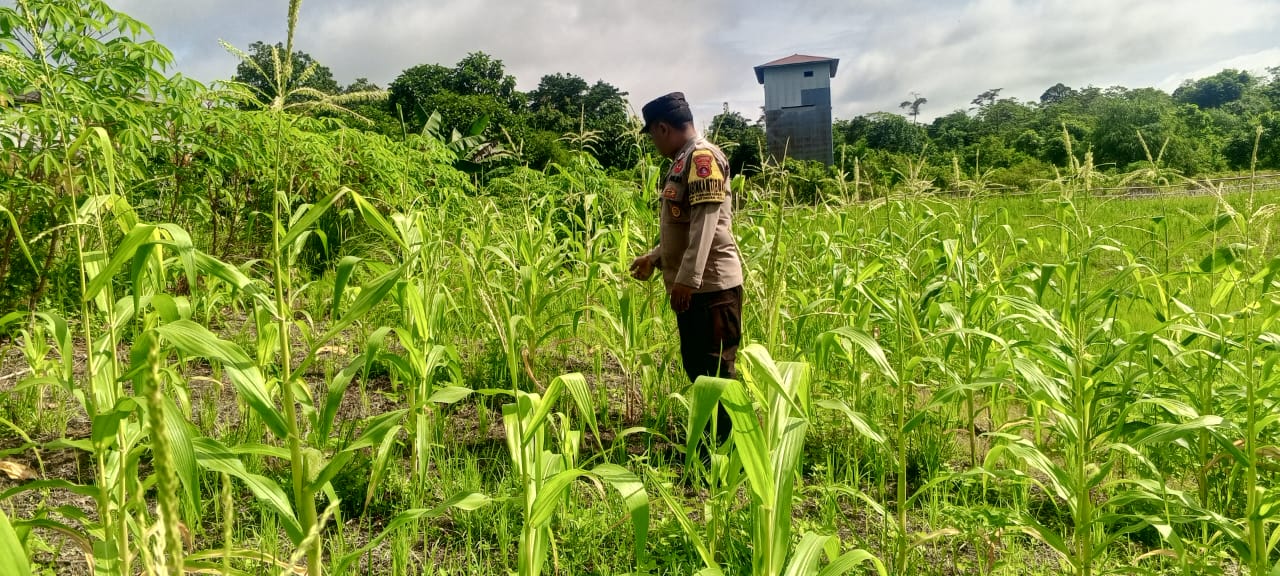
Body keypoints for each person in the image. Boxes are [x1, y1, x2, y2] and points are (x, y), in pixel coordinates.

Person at [629, 92, 743, 445]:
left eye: (653, 135)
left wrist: (687, 280)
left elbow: (706, 224)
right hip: (697, 288)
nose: (654, 143)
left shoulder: (701, 157)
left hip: (710, 287)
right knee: (700, 369)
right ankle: (711, 445)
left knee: (716, 372)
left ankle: (730, 451)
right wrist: (654, 257)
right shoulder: (684, 160)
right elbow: (685, 227)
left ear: (663, 128)